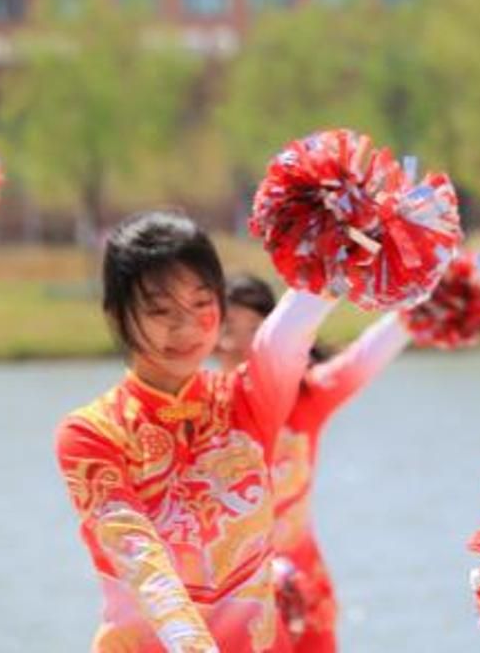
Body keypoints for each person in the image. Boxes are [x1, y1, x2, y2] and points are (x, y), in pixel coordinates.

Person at [55, 210, 336, 651]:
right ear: (119, 315)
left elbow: (296, 320)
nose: (185, 327)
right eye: (159, 310)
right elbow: (141, 562)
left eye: (202, 304)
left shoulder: (247, 399)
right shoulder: (91, 434)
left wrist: (347, 235)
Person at [215, 275, 411, 652]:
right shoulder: (197, 413)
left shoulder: (308, 399)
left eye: (253, 329)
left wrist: (428, 300)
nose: (238, 345)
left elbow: (365, 356)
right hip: (231, 605)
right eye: (227, 330)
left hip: (304, 593)